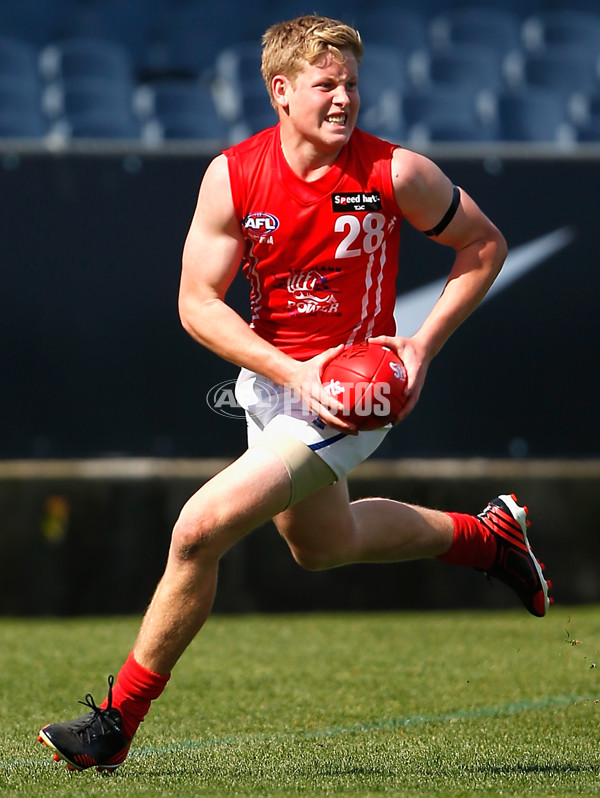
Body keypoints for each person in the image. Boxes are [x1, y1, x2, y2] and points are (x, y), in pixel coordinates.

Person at [37, 15, 552, 773]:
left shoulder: (396, 172)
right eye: (326, 85)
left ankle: (116, 721)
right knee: (322, 546)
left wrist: (419, 347)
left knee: (197, 529)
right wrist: (290, 372)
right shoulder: (235, 175)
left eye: (351, 84)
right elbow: (196, 303)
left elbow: (484, 244)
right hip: (281, 384)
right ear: (280, 91)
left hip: (355, 390)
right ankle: (488, 539)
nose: (344, 99)